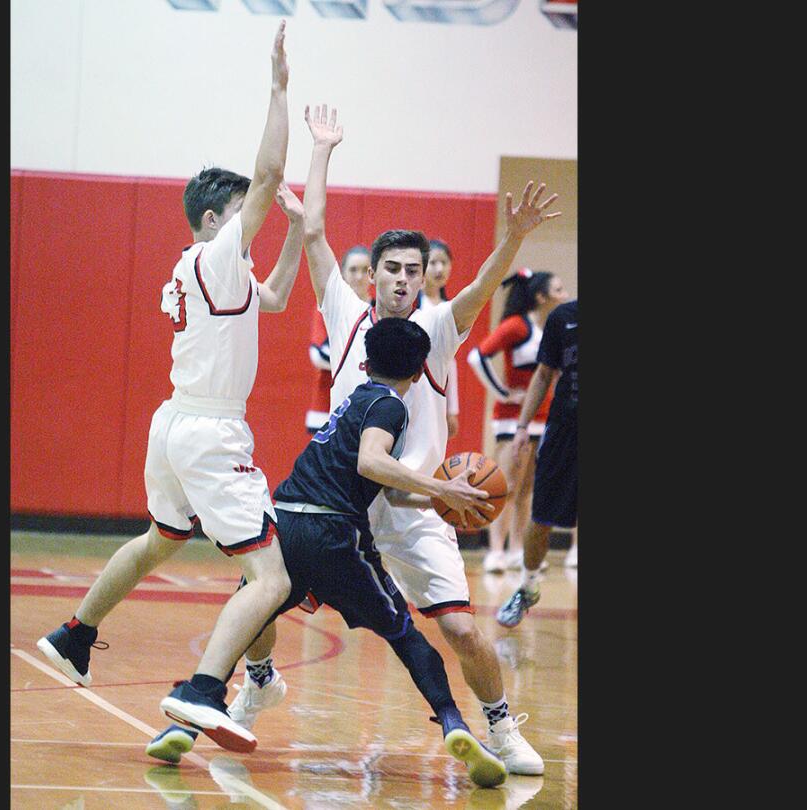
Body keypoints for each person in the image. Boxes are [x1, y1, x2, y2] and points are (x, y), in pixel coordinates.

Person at [222, 103, 561, 776]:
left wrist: (514, 240)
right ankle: (258, 678)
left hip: (413, 514)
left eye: (414, 268)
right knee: (256, 587)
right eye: (392, 268)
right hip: (343, 513)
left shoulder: (438, 326)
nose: (404, 278)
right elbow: (313, 230)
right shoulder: (345, 313)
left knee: (462, 629)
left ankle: (500, 726)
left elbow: (481, 287)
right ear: (372, 275)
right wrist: (323, 149)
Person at [37, 24, 299, 753]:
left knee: (160, 541)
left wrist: (305, 235)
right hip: (212, 432)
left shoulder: (206, 271)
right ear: (213, 221)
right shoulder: (217, 255)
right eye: (246, 216)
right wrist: (278, 90)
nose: (257, 222)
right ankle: (206, 690)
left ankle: (76, 632)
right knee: (271, 573)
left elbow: (273, 296)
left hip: (174, 425)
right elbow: (270, 178)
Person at [154, 318, 508, 788]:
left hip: (285, 519)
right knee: (404, 634)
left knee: (251, 616)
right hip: (332, 531)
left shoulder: (355, 400)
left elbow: (385, 483)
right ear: (421, 372)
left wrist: (441, 499)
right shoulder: (390, 407)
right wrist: (443, 485)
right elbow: (371, 462)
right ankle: (454, 723)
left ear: (365, 361)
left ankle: (186, 722)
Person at [466, 269, 569, 574]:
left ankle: (516, 551)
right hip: (513, 421)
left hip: (543, 420)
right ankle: (495, 551)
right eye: (559, 289)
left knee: (527, 491)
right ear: (541, 297)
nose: (564, 295)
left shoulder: (550, 328)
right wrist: (501, 392)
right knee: (506, 486)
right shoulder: (516, 325)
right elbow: (477, 357)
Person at [496, 297, 578, 628]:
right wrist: (521, 427)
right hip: (563, 433)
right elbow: (543, 374)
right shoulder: (564, 318)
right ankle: (527, 588)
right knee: (541, 518)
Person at [305, 246, 371, 434]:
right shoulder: (328, 307)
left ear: (372, 273)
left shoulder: (380, 311)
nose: (359, 276)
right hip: (326, 405)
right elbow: (318, 355)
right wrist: (364, 362)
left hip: (367, 406)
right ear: (342, 273)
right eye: (353, 270)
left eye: (364, 270)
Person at [421, 240, 461, 440]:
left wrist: (452, 408)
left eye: (444, 263)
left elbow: (449, 362)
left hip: (437, 392)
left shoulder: (451, 307)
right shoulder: (411, 306)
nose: (439, 269)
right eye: (433, 263)